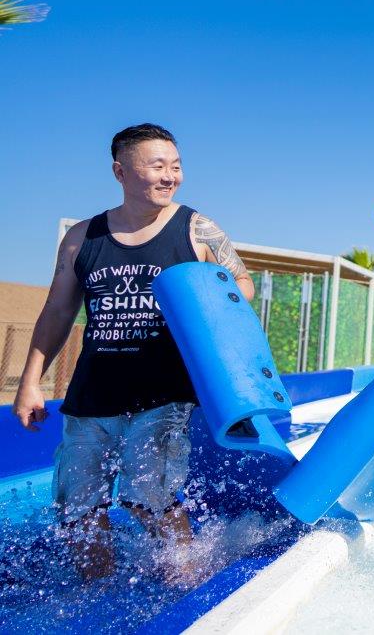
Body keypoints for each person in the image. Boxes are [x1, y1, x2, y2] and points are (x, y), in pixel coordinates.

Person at [11, 123, 256, 584]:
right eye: (157, 166)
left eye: (176, 166)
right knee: (76, 508)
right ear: (120, 171)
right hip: (92, 395)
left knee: (150, 496)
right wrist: (30, 382)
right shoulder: (83, 238)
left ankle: (185, 586)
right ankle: (95, 597)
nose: (170, 176)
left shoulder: (197, 229)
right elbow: (58, 310)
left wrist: (208, 313)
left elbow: (241, 286)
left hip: (164, 391)